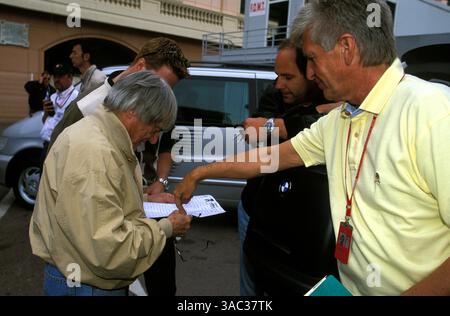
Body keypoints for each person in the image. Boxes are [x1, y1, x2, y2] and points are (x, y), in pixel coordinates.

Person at [174, 0, 450, 296]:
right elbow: (269, 158)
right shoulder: (340, 119)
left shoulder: (431, 112)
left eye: (312, 58)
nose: (309, 74)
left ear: (346, 48)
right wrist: (200, 173)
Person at [29, 71, 192, 296]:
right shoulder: (95, 153)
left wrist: (146, 198)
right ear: (132, 111)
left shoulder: (100, 135)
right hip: (86, 285)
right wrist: (167, 228)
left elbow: (99, 200)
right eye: (154, 129)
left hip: (80, 278)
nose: (153, 139)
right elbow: (110, 248)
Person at [238, 39, 335, 295]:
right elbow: (254, 135)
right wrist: (311, 116)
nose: (279, 84)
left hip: (304, 221)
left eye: (288, 77)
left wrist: (278, 124)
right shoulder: (275, 95)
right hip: (256, 208)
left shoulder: (332, 97)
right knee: (252, 287)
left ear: (311, 74)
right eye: (277, 76)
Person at [39, 64, 78, 168]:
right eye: (55, 76)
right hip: (46, 145)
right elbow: (45, 121)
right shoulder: (53, 96)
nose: (56, 79)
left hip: (62, 148)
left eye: (60, 76)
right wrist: (46, 113)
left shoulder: (76, 97)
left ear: (70, 77)